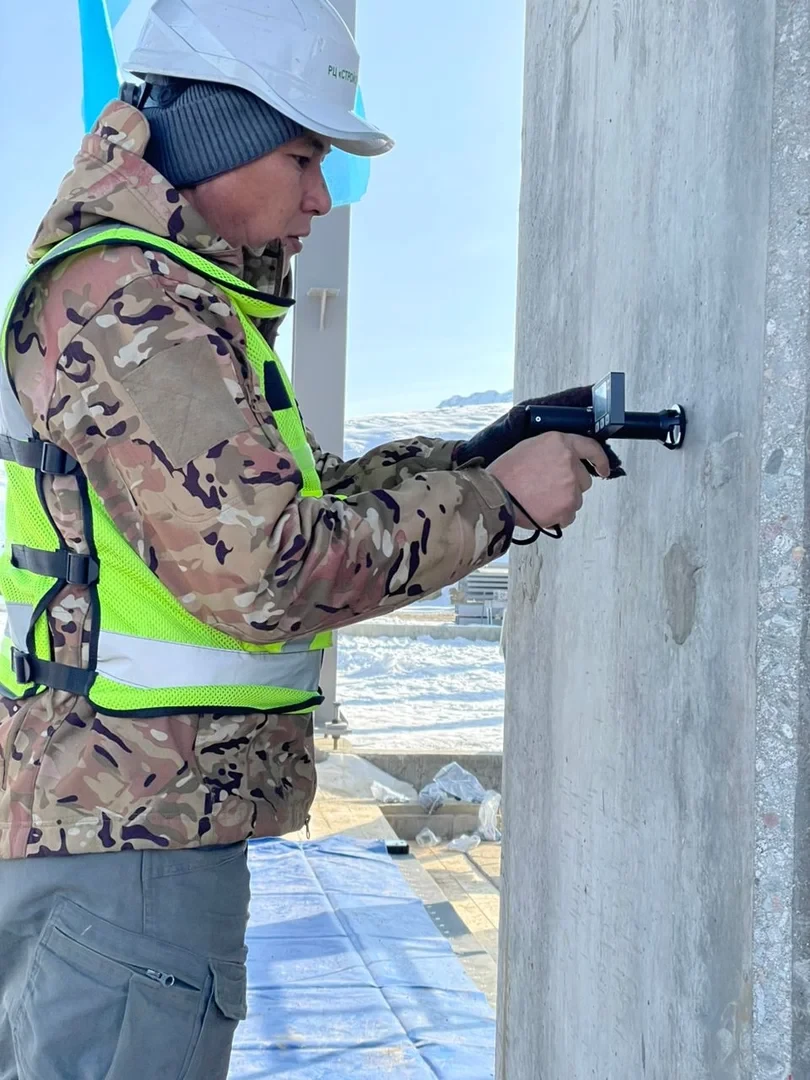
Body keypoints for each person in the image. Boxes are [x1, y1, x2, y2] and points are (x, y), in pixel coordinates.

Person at [0, 1, 613, 1076]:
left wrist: (479, 456)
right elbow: (269, 570)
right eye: (302, 156)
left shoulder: (158, 295)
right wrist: (499, 503)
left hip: (109, 823)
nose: (321, 199)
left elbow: (284, 503)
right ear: (224, 132)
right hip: (134, 841)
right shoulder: (134, 302)